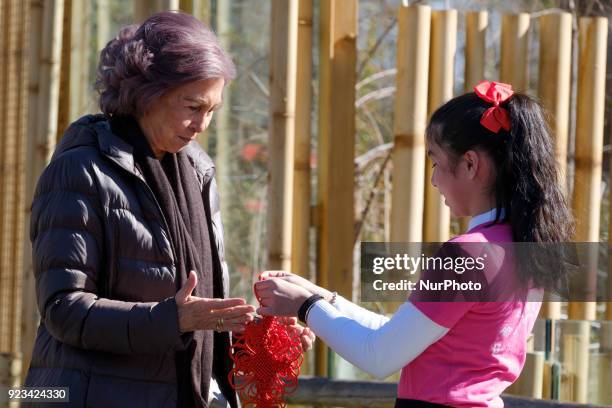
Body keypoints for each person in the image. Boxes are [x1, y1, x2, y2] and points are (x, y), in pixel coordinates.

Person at [24, 11, 312, 408]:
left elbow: (194, 317)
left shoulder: (197, 170)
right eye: (193, 106)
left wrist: (258, 340)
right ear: (148, 92)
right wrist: (172, 319)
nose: (202, 125)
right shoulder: (79, 170)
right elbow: (63, 310)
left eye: (212, 111)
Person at [254, 81, 574, 407]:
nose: (434, 180)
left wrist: (305, 307)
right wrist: (319, 297)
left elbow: (379, 355)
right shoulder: (525, 246)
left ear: (470, 164)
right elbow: (398, 335)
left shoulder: (469, 253)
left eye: (435, 162)